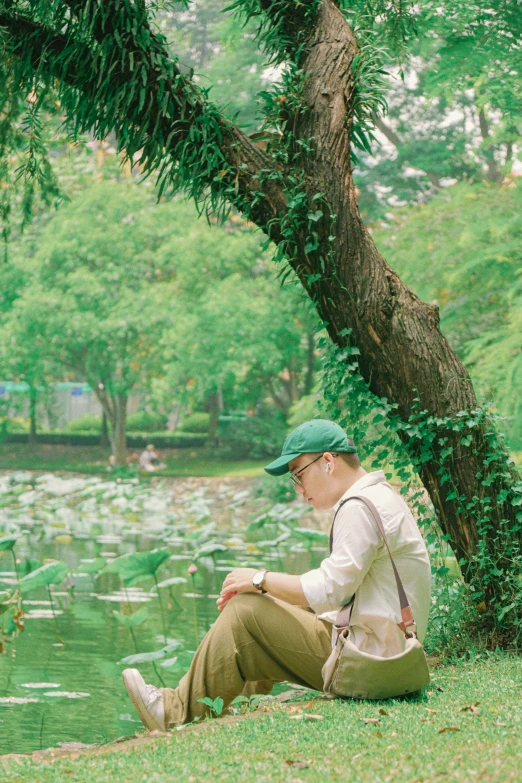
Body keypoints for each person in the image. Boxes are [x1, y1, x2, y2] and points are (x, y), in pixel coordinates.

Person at [122, 419, 431, 731]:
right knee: (263, 604)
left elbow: (331, 589)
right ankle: (218, 706)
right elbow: (340, 592)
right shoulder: (379, 495)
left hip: (373, 664)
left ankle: (172, 710)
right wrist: (267, 590)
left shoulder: (358, 507)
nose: (298, 488)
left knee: (244, 612)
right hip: (389, 657)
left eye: (298, 474)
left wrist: (260, 578)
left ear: (327, 462)